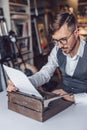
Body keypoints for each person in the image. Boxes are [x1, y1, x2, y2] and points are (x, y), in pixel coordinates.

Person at [7, 12, 87, 104]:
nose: (60, 45)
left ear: (76, 33)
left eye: (63, 40)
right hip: (64, 100)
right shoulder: (57, 50)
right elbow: (45, 74)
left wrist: (75, 98)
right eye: (56, 40)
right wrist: (23, 83)